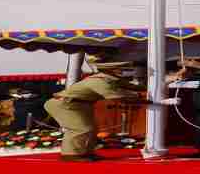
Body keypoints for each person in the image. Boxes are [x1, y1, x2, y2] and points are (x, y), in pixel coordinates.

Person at [45, 61, 181, 162]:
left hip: (79, 104)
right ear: (112, 70)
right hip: (64, 104)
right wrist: (156, 102)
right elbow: (121, 100)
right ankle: (70, 155)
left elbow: (139, 88)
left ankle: (85, 153)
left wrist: (169, 79)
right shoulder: (100, 82)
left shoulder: (110, 79)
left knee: (92, 129)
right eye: (122, 69)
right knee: (80, 129)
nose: (125, 71)